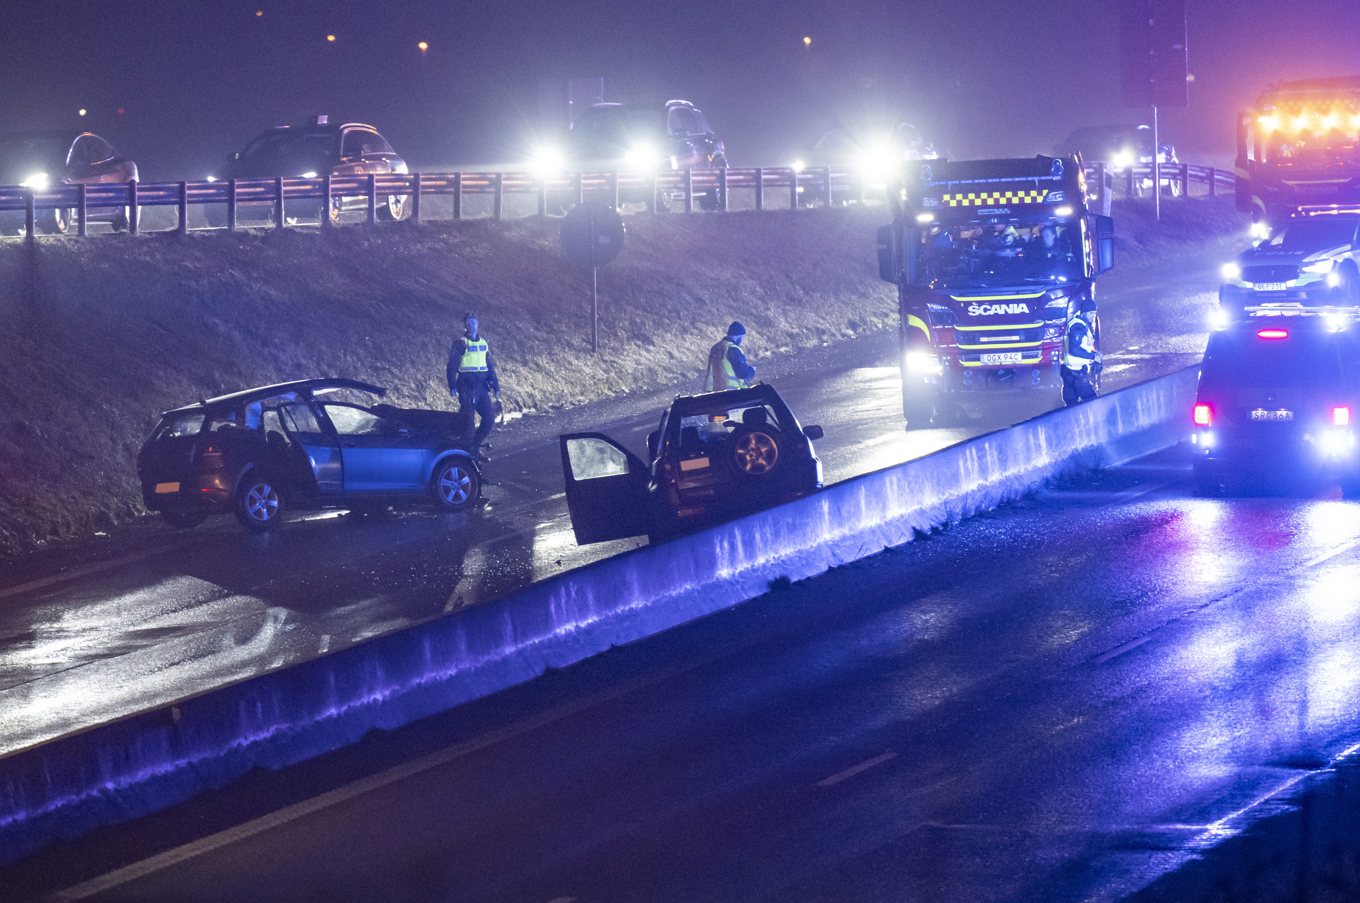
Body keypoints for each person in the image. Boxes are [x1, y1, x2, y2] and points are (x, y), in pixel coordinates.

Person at [446, 312, 500, 461]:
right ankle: (466, 455)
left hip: (481, 387)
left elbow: (489, 366)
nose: (472, 326)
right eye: (469, 324)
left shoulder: (483, 343)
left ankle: (474, 447)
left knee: (489, 418)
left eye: (474, 323)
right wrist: (452, 386)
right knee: (468, 423)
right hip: (466, 387)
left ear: (478, 324)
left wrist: (496, 386)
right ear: (465, 326)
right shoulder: (461, 343)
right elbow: (451, 366)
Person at [1061, 307, 1101, 406]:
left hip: (1069, 372)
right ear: (1083, 313)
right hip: (1077, 374)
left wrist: (1095, 355)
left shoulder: (1079, 323)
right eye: (1090, 313)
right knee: (1093, 404)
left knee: (1070, 407)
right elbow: (1075, 349)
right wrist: (1093, 356)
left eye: (1094, 313)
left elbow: (1083, 346)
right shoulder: (1077, 326)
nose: (1093, 316)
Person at [703, 321, 756, 392]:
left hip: (716, 391)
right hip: (733, 392)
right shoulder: (733, 348)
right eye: (742, 337)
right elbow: (742, 373)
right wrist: (751, 370)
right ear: (738, 335)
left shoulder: (715, 347)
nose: (742, 340)